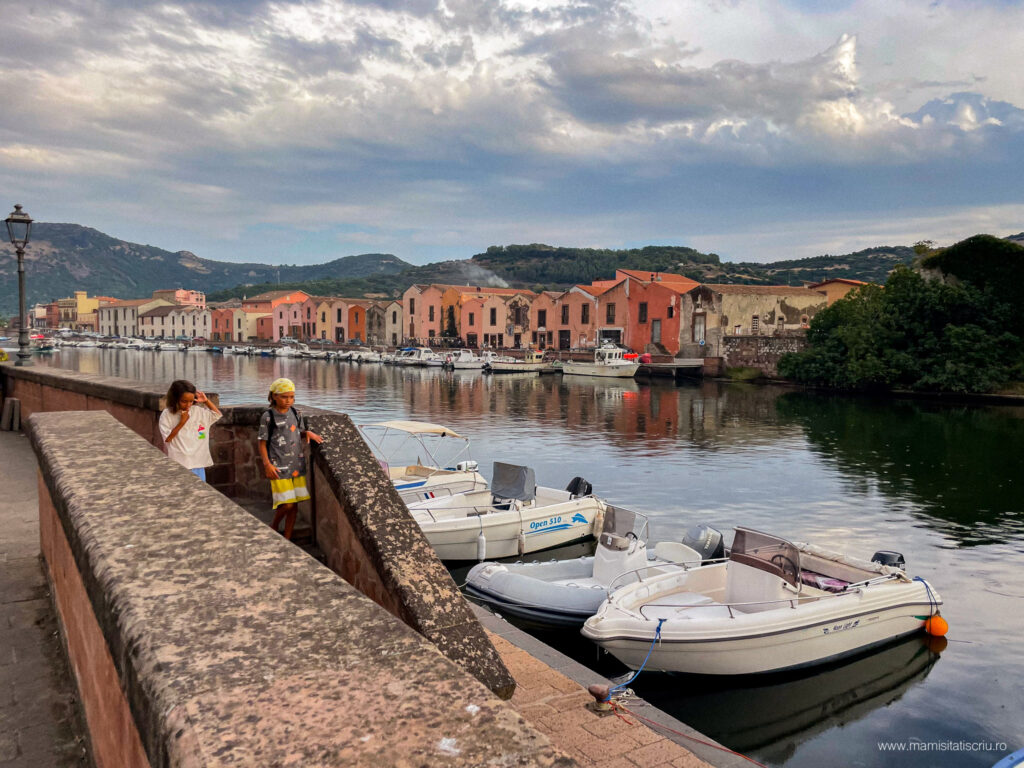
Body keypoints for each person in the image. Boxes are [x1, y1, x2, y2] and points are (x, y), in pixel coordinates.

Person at [258, 378, 322, 539]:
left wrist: (307, 433)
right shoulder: (268, 416)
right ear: (274, 396)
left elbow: (297, 432)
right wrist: (267, 464)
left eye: (291, 397)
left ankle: (287, 537)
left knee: (294, 505)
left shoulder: (296, 413)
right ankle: (274, 525)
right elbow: (262, 442)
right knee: (287, 504)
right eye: (284, 397)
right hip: (278, 466)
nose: (288, 401)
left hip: (296, 464)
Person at [159, 379, 222, 481]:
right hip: (179, 461)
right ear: (175, 399)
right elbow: (167, 438)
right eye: (184, 401)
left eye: (191, 401)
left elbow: (217, 415)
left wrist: (206, 401)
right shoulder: (167, 415)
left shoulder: (197, 411)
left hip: (198, 462)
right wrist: (182, 422)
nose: (188, 405)